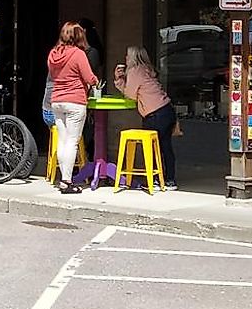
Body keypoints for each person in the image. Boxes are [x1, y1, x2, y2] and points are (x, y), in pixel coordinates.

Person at [46, 21, 100, 194]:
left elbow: (54, 76)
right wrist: (95, 82)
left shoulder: (52, 54)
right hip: (75, 100)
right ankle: (67, 181)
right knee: (72, 142)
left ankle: (63, 178)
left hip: (57, 101)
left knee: (62, 140)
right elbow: (88, 76)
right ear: (78, 36)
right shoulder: (78, 54)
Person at [114, 43, 175, 180]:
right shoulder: (147, 69)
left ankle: (153, 180)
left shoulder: (135, 71)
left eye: (127, 56)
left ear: (133, 58)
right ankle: (170, 179)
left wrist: (119, 80)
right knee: (166, 148)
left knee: (152, 149)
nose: (125, 58)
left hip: (154, 114)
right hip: (167, 109)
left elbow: (130, 95)